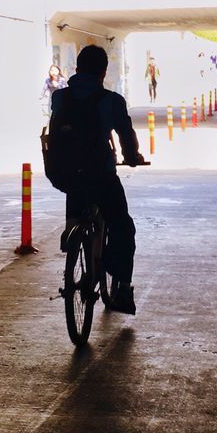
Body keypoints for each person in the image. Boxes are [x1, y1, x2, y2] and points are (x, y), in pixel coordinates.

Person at [50, 45, 147, 315]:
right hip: (100, 176)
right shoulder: (111, 101)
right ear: (103, 72)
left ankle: (72, 233)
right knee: (123, 227)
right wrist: (132, 157)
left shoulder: (59, 98)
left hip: (66, 175)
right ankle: (123, 288)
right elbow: (126, 136)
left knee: (77, 194)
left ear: (77, 69)